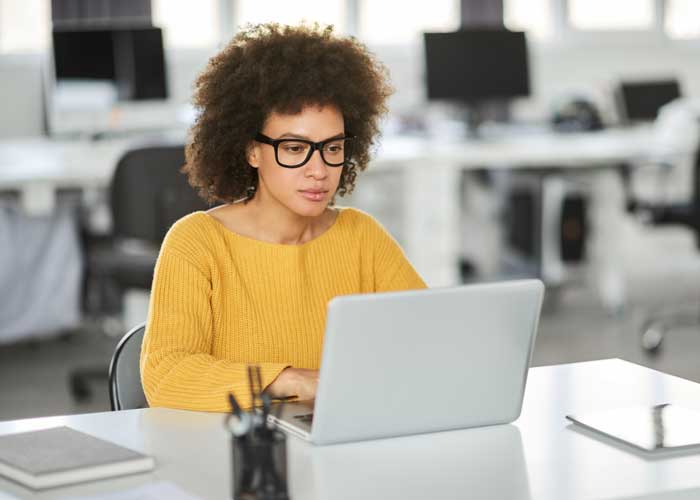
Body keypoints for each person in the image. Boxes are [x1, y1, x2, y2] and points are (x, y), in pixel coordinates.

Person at [140, 23, 426, 412]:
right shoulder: (198, 242)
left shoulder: (361, 235)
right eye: (294, 148)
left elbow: (428, 337)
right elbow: (166, 375)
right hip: (239, 442)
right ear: (251, 151)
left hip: (345, 433)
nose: (319, 170)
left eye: (332, 148)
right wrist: (286, 380)